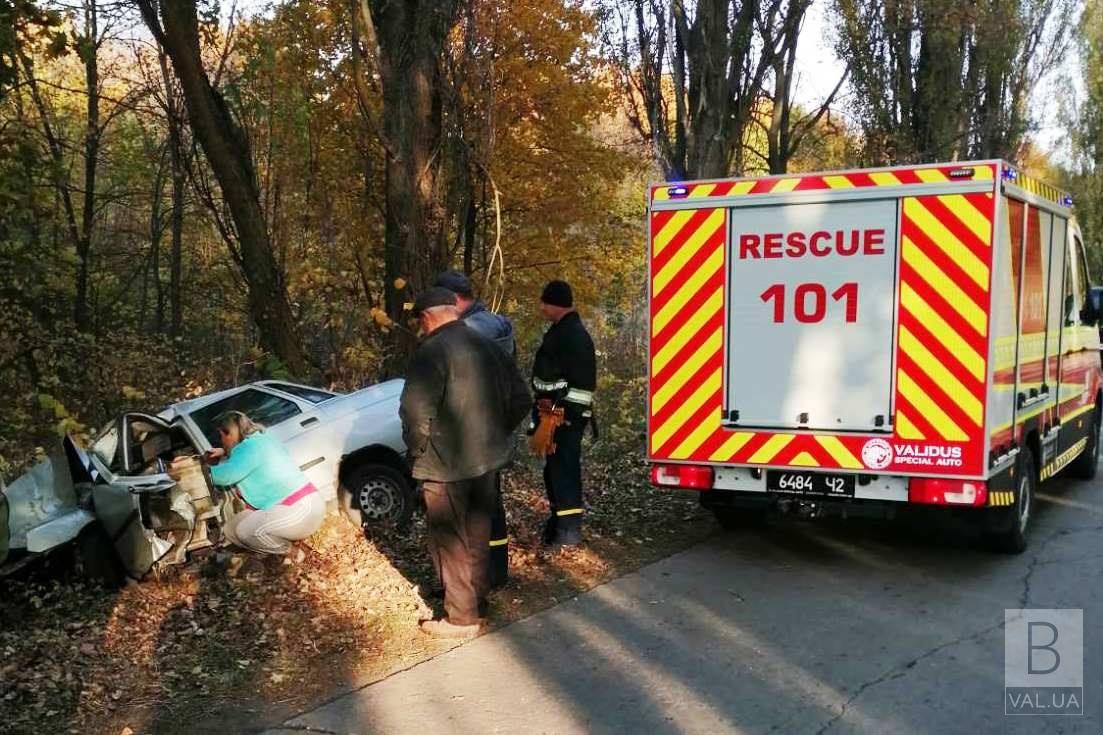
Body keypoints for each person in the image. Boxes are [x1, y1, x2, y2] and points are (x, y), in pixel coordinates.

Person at [401, 287, 531, 638]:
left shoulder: (430, 353)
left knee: (449, 540)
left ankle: (460, 619)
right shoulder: (489, 346)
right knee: (477, 533)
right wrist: (496, 433)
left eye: (420, 322)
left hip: (444, 465)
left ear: (427, 317)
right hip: (487, 459)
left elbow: (415, 415)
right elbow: (521, 398)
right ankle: (476, 601)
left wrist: (417, 452)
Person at [433, 270, 515, 589]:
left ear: (454, 301)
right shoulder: (494, 323)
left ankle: (482, 579)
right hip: (490, 431)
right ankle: (492, 575)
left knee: (479, 511)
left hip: (476, 435)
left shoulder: (476, 328)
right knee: (489, 507)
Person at [180, 411, 326, 556]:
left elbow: (226, 475)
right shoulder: (262, 439)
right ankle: (270, 555)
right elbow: (246, 457)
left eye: (221, 436)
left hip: (300, 509)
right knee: (231, 530)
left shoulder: (249, 448)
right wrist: (224, 452)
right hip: (305, 505)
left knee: (246, 532)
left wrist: (192, 470)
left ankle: (295, 554)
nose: (221, 441)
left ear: (230, 434)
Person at [529, 280, 597, 548]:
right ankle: (560, 526)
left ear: (554, 303)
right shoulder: (566, 331)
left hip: (564, 417)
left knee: (563, 472)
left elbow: (567, 383)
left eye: (544, 302)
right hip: (560, 414)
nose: (542, 308)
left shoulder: (569, 335)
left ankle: (568, 534)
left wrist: (556, 411)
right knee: (556, 471)